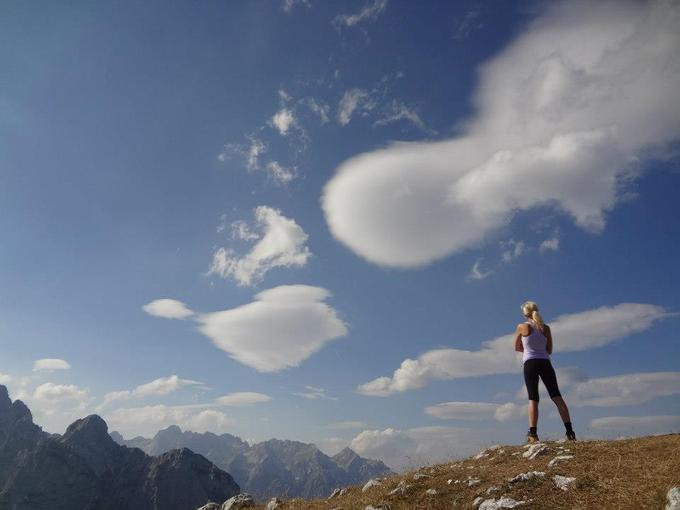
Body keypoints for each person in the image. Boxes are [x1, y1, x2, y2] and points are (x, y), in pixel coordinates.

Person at [514, 301, 576, 443]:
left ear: (525, 313)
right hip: (545, 363)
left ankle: (533, 434)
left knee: (533, 399)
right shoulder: (546, 328)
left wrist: (530, 351)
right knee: (557, 397)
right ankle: (570, 432)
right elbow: (549, 350)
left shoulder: (522, 327)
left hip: (530, 363)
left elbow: (517, 347)